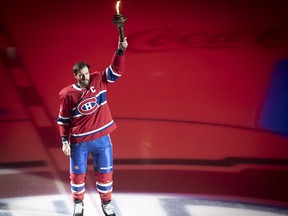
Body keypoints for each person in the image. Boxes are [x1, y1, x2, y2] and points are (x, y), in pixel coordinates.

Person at [57, 37, 128, 216]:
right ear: (75, 75)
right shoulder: (67, 94)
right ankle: (78, 204)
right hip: (79, 142)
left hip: (101, 139)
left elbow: (116, 71)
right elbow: (63, 119)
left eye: (86, 74)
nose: (85, 77)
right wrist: (65, 141)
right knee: (77, 176)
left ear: (90, 73)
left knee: (105, 175)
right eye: (81, 75)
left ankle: (106, 204)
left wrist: (120, 51)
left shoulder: (99, 80)